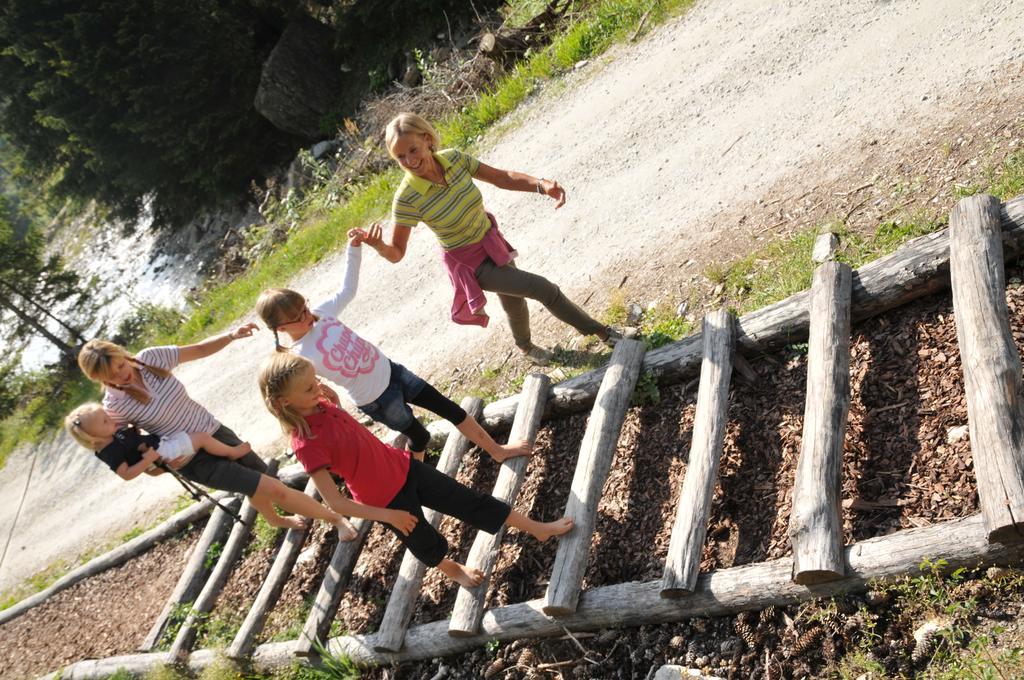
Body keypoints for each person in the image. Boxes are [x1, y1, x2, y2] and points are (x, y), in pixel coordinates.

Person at [258, 352, 573, 587]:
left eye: (316, 381)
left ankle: (537, 529)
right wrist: (389, 516)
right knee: (424, 542)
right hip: (384, 500)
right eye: (309, 389)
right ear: (286, 404)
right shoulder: (305, 445)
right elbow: (336, 503)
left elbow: (342, 430)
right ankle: (452, 569)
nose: (318, 388)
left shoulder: (320, 403)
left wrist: (329, 397)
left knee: (470, 500)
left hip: (405, 467)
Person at [357, 111, 628, 366]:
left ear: (427, 140)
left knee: (514, 301)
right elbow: (396, 252)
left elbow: (501, 177)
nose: (409, 161)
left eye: (412, 150)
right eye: (400, 157)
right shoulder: (407, 198)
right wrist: (379, 245)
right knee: (544, 289)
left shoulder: (454, 159)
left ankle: (525, 347)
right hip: (471, 265)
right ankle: (604, 333)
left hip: (490, 240)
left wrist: (541, 185)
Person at [255, 230, 530, 463]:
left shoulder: (321, 314)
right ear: (281, 329)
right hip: (377, 400)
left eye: (305, 306)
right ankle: (417, 480)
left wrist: (354, 249)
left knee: (451, 409)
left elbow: (347, 290)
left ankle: (497, 451)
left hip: (393, 371)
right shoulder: (301, 358)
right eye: (299, 316)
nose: (307, 316)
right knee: (420, 437)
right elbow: (308, 391)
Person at [77, 336, 357, 539]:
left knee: (259, 479)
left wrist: (232, 336)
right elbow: (120, 445)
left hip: (215, 431)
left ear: (121, 353)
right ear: (99, 379)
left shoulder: (150, 359)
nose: (121, 376)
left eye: (120, 366)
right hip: (192, 459)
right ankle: (337, 520)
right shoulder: (114, 405)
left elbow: (197, 348)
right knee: (275, 489)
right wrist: (154, 468)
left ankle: (274, 519)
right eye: (111, 377)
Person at [65, 402, 251, 480]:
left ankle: (222, 454)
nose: (111, 419)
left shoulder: (113, 436)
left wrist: (135, 432)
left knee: (193, 437)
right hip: (160, 454)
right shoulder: (108, 452)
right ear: (94, 436)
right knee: (201, 438)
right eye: (105, 421)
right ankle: (232, 452)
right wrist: (148, 460)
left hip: (160, 449)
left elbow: (130, 444)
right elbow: (126, 474)